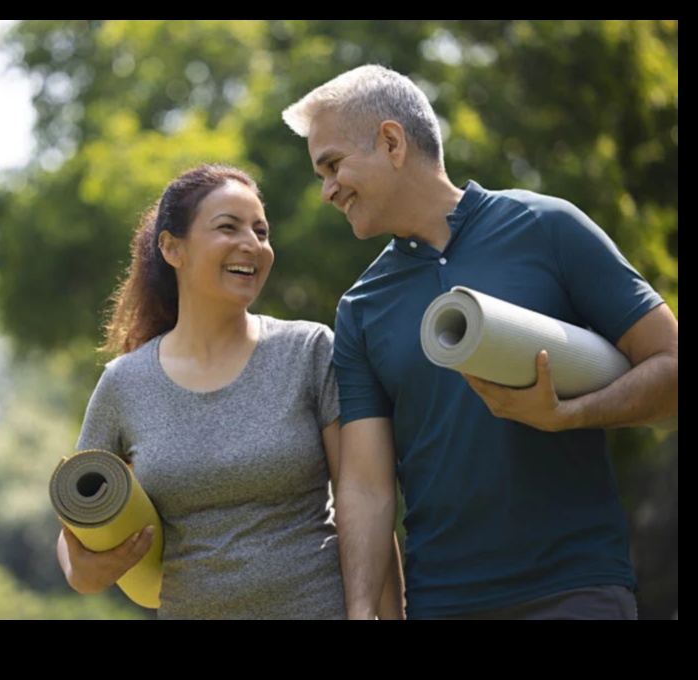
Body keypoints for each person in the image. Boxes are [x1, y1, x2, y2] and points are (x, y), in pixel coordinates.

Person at [281, 64, 678, 620]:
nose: (326, 190)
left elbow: (671, 366)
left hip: (576, 590)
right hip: (443, 603)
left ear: (391, 142)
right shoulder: (361, 309)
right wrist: (362, 609)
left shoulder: (549, 227)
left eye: (332, 165)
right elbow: (367, 487)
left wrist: (568, 413)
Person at [55, 163, 404, 619]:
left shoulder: (308, 351)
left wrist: (388, 614)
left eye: (261, 231)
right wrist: (84, 567)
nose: (253, 244)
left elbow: (362, 497)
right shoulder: (125, 383)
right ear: (172, 248)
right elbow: (74, 528)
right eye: (228, 227)